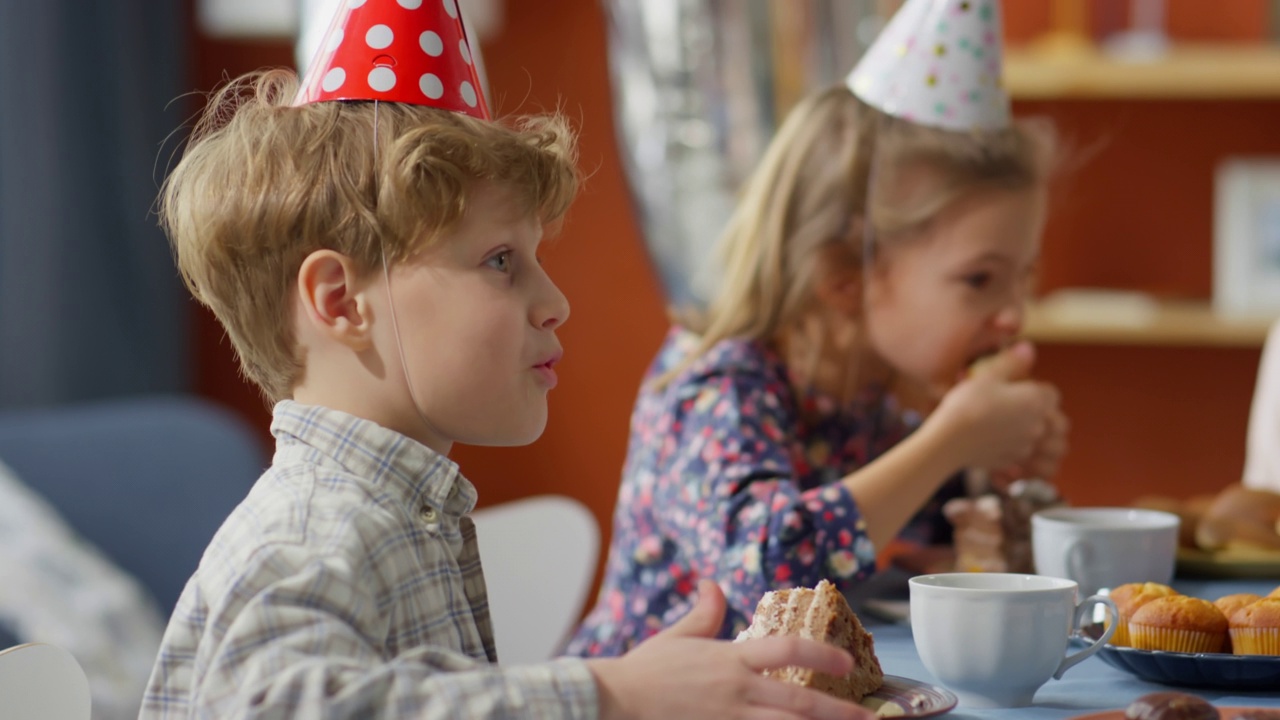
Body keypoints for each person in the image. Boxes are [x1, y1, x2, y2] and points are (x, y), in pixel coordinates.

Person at [139, 3, 876, 719]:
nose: (554, 299)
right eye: (500, 260)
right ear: (341, 301)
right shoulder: (313, 530)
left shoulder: (400, 516)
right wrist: (609, 695)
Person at [567, 0, 1069, 657]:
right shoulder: (716, 385)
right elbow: (770, 566)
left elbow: (907, 512)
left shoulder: (870, 392)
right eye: (979, 279)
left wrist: (987, 471)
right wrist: (953, 440)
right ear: (843, 277)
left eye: (1022, 277)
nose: (1012, 314)